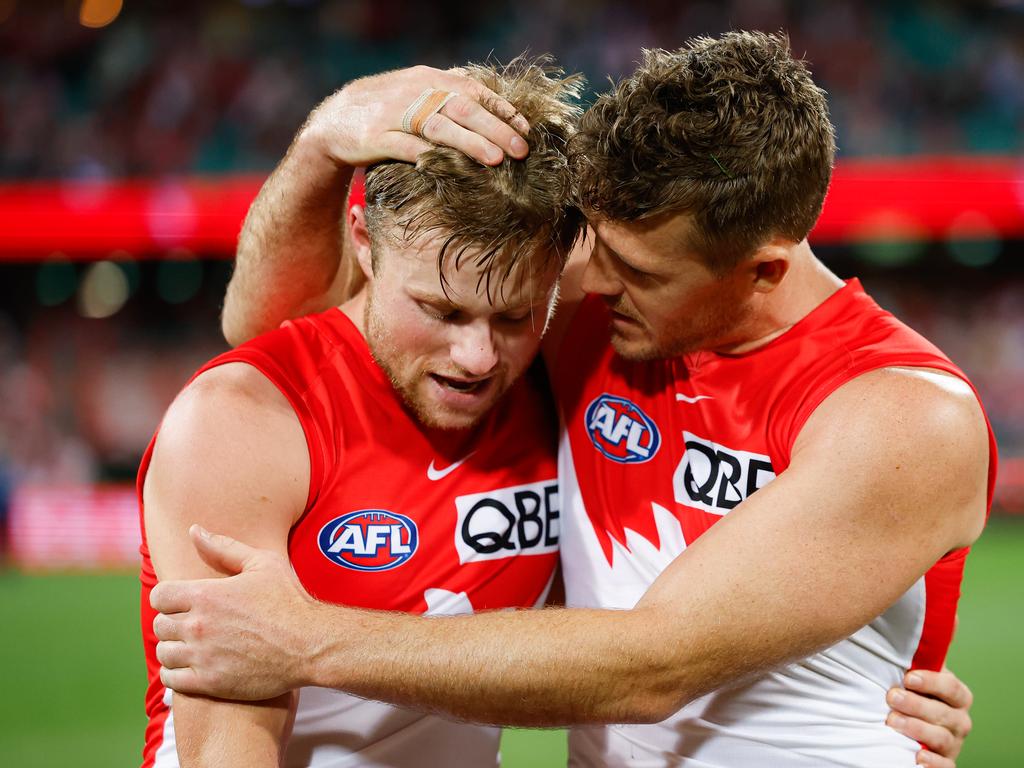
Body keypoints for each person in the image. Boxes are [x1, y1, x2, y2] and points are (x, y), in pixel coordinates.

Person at [152, 33, 987, 767]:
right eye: (596, 249)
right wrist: (326, 143)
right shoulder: (592, 313)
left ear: (764, 267)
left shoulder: (904, 414)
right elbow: (278, 331)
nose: (591, 284)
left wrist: (304, 642)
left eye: (642, 273)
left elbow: (653, 662)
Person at [138, 59, 584, 767]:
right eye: (442, 310)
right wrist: (321, 140)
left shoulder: (562, 374)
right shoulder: (242, 422)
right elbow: (227, 749)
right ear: (364, 241)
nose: (477, 356)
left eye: (513, 316)